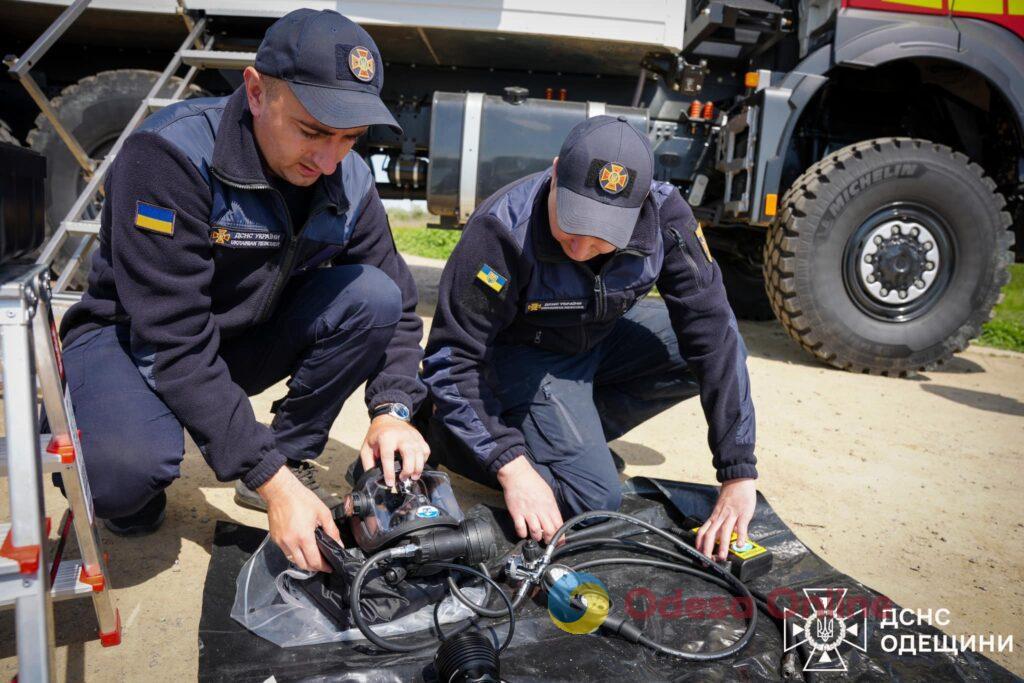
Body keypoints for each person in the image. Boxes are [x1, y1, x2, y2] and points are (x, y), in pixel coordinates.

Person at [57, 9, 430, 572]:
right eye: (312, 131)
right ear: (256, 92)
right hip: (132, 339)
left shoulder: (348, 180)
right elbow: (174, 340)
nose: (329, 159)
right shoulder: (170, 156)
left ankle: (289, 449)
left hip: (240, 337)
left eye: (350, 138)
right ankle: (102, 424)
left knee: (372, 296)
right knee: (119, 481)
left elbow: (400, 307)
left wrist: (393, 409)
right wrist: (270, 481)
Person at [420, 115, 758, 560]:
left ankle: (568, 442)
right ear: (556, 171)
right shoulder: (502, 229)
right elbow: (451, 359)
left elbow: (713, 331)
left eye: (602, 238)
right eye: (572, 225)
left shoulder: (667, 217)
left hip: (598, 340)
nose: (580, 248)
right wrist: (511, 466)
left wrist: (738, 472)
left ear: (640, 208)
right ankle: (441, 432)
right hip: (525, 357)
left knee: (695, 349)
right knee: (594, 502)